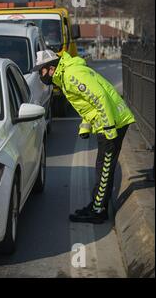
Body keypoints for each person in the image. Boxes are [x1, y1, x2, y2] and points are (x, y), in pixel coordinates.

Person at [33, 50, 136, 224]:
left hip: (113, 122)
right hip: (109, 121)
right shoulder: (66, 75)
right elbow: (88, 105)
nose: (40, 76)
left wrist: (109, 128)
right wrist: (85, 127)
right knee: (101, 166)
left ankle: (98, 211)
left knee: (104, 168)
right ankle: (96, 204)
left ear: (51, 69)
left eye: (41, 71)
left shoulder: (71, 75)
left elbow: (100, 98)